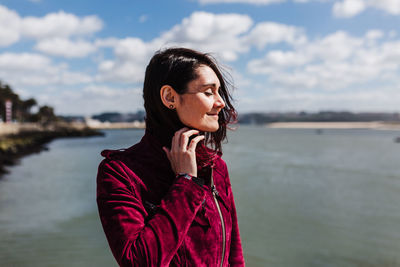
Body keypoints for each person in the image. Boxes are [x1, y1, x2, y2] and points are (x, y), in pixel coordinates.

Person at [96, 47, 245, 267]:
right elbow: (139, 262)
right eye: (208, 92)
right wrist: (185, 183)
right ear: (169, 97)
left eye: (219, 91)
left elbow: (234, 255)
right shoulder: (120, 173)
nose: (220, 102)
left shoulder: (216, 166)